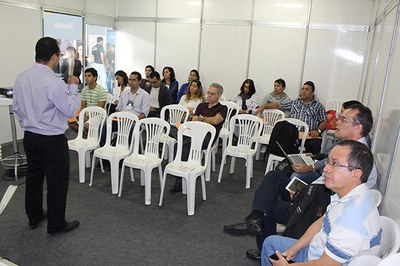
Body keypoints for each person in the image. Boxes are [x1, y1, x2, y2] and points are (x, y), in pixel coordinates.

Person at [223, 102, 378, 261]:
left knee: (269, 206)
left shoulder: (357, 162)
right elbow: (321, 178)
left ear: (357, 128)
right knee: (273, 178)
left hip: (315, 206)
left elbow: (326, 199)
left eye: (343, 119)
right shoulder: (349, 151)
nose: (337, 122)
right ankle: (254, 220)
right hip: (312, 195)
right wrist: (301, 188)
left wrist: (303, 188)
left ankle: (267, 245)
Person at [262, 140, 380, 265]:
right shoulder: (349, 195)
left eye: (334, 164)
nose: (326, 169)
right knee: (271, 243)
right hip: (320, 251)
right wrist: (295, 248)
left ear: (356, 174)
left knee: (272, 246)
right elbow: (322, 222)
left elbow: (323, 264)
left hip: (323, 261)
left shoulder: (351, 221)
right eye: (328, 162)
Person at [12, 37, 80, 234]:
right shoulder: (53, 82)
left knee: (34, 178)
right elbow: (70, 110)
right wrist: (73, 88)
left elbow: (16, 108)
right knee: (56, 182)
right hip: (51, 140)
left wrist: (28, 124)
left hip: (30, 137)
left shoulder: (21, 77)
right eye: (58, 55)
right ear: (53, 57)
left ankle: (34, 217)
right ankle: (56, 224)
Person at [169, 83, 228, 192]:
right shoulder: (202, 105)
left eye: (213, 94)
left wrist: (201, 118)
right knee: (170, 127)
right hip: (193, 133)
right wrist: (206, 119)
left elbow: (216, 121)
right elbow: (195, 120)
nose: (209, 96)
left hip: (207, 138)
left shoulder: (223, 108)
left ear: (219, 96)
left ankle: (179, 181)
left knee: (184, 144)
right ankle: (181, 176)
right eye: (208, 93)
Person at [256, 81, 327, 154]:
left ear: (312, 93)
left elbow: (324, 121)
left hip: (309, 136)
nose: (303, 91)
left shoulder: (319, 106)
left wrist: (318, 131)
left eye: (307, 89)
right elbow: (278, 105)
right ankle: (281, 162)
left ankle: (309, 164)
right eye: (302, 89)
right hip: (293, 134)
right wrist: (264, 106)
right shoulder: (294, 103)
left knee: (315, 145)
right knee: (279, 139)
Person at [99, 71, 151, 147]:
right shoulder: (125, 93)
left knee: (130, 127)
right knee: (106, 124)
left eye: (134, 80)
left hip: (135, 121)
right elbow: (118, 108)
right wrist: (117, 116)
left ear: (139, 81)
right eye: (130, 79)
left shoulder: (145, 95)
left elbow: (144, 114)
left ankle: (126, 152)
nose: (131, 82)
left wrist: (133, 119)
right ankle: (104, 148)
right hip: (121, 119)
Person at [68, 68, 108, 133]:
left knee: (87, 126)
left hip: (99, 115)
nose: (86, 78)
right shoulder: (84, 90)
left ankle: (88, 138)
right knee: (71, 122)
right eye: (85, 76)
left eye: (89, 76)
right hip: (87, 114)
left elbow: (100, 109)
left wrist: (88, 116)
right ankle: (85, 136)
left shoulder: (101, 90)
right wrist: (83, 115)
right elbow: (83, 106)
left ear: (95, 77)